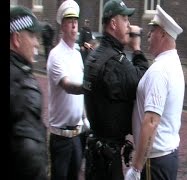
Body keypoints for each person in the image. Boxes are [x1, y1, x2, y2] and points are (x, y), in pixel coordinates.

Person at [82, 0, 149, 179]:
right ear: (113, 24)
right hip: (108, 161)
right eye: (125, 19)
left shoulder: (95, 55)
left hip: (95, 152)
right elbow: (143, 81)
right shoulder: (115, 62)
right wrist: (136, 49)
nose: (129, 26)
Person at [125, 5, 184, 180]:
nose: (149, 36)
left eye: (152, 31)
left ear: (163, 34)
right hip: (166, 157)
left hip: (154, 161)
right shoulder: (173, 63)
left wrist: (136, 168)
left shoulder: (159, 70)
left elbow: (151, 122)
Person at [47, 1, 86, 179]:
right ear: (62, 25)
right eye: (69, 21)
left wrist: (85, 117)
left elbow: (80, 93)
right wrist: (90, 87)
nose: (74, 25)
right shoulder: (56, 55)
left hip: (77, 135)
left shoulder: (77, 54)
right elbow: (68, 86)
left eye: (76, 21)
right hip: (61, 137)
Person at [10, 5, 49, 179]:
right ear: (17, 39)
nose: (36, 43)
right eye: (32, 36)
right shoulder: (23, 86)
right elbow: (30, 153)